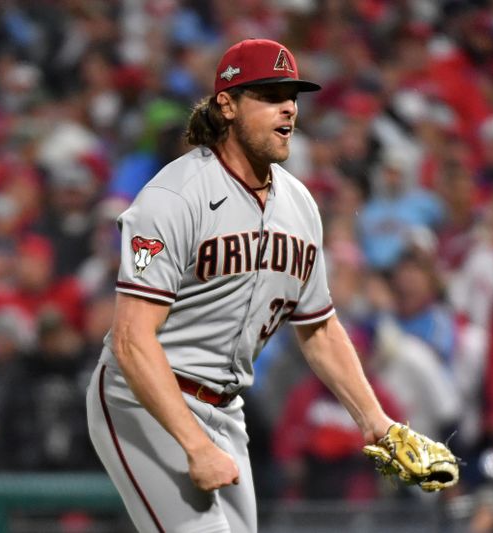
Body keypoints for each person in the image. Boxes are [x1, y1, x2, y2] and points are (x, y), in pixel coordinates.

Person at [86, 39, 411, 533]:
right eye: (269, 94)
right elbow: (132, 340)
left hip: (227, 407)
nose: (288, 107)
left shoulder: (300, 205)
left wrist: (375, 421)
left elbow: (319, 329)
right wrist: (194, 445)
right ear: (227, 105)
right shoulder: (174, 197)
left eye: (292, 96)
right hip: (144, 399)